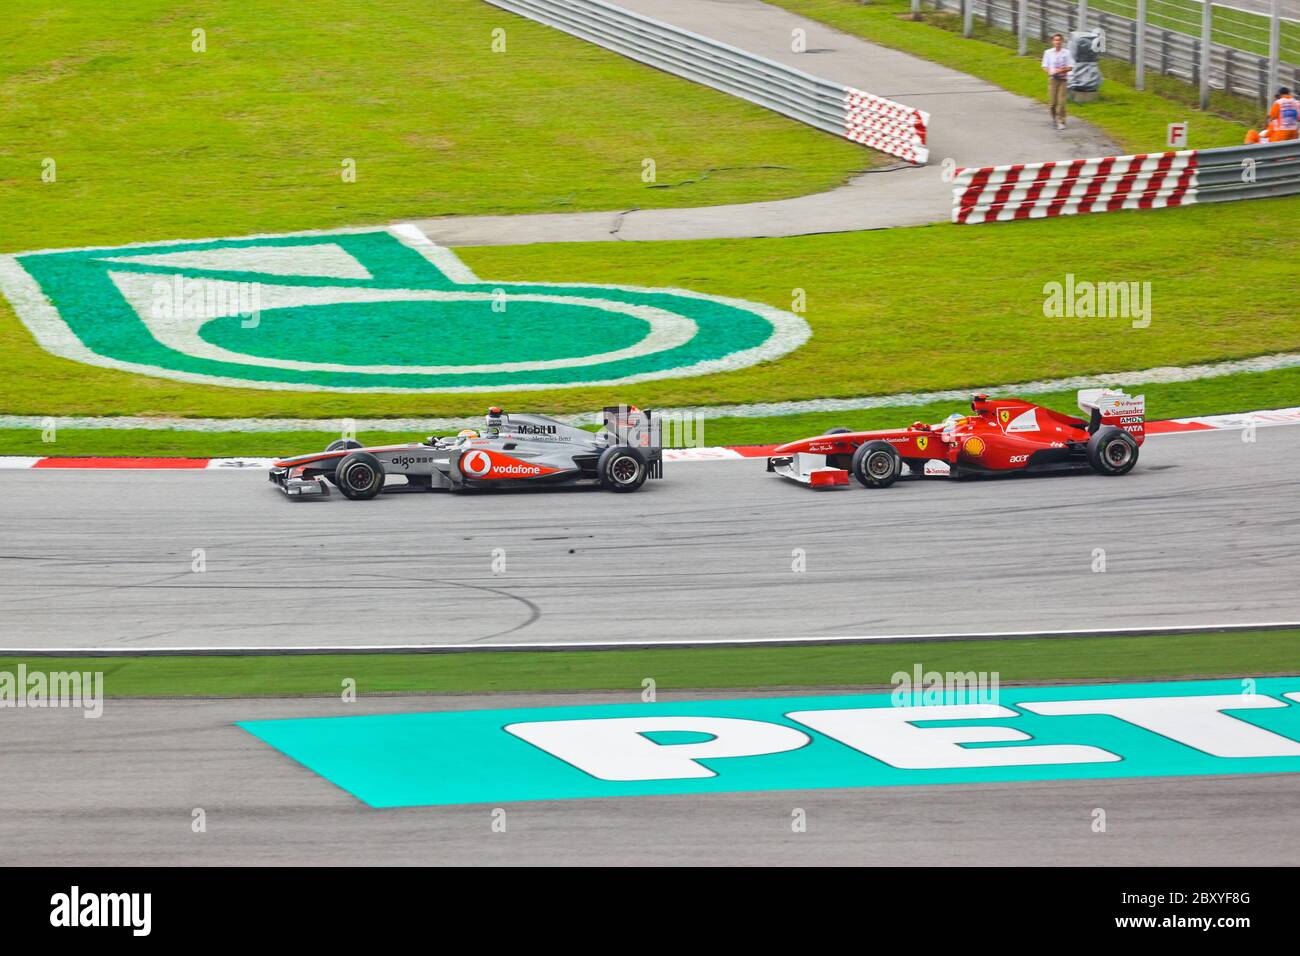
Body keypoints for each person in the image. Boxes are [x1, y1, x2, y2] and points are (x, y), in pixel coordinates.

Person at [1041, 33, 1075, 131]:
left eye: (1059, 40)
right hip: (1053, 79)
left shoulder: (1067, 53)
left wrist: (1063, 70)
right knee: (1052, 103)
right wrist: (1050, 71)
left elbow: (1071, 66)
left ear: (1062, 41)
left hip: (1063, 80)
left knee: (1061, 102)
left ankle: (1061, 121)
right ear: (1052, 42)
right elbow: (1044, 66)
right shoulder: (1048, 52)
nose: (1057, 42)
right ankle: (1054, 118)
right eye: (1055, 40)